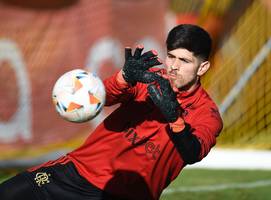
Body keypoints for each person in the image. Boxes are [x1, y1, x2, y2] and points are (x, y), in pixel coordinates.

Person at [0, 24, 223, 200]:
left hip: (128, 195)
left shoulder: (207, 114)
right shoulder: (148, 80)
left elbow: (193, 152)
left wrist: (174, 117)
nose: (173, 66)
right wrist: (124, 77)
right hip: (77, 173)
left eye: (184, 61)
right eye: (171, 56)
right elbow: (99, 96)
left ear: (202, 67)